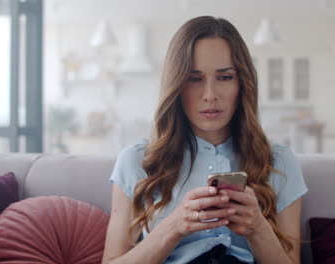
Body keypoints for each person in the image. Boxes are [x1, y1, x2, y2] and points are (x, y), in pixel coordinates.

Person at [102, 16, 308, 264]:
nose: (210, 95)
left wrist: (258, 229)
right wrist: (174, 226)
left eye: (224, 77)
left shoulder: (279, 161)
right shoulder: (136, 161)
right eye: (194, 78)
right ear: (176, 85)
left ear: (242, 83)